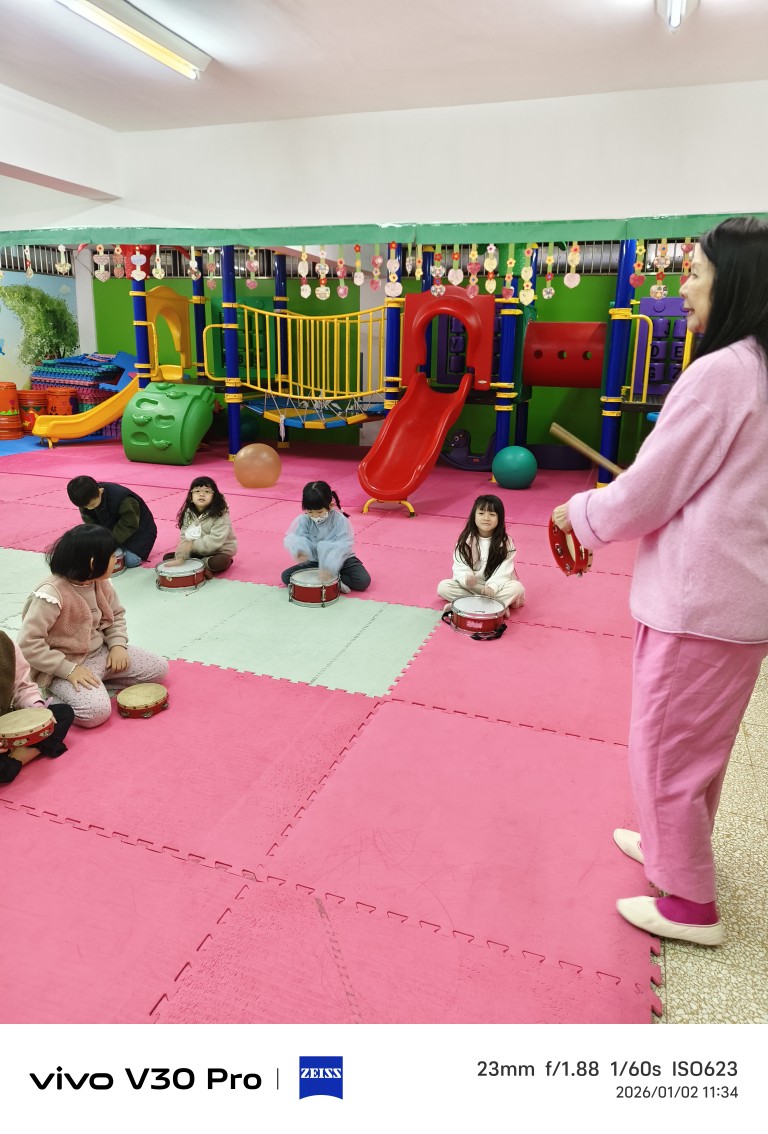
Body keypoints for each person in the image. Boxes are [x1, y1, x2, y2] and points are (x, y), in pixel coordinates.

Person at [552, 216, 768, 947]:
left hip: (700, 602)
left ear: (736, 284)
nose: (685, 286)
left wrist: (580, 513)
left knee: (667, 750)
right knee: (697, 750)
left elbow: (648, 492)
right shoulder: (757, 369)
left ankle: (689, 904)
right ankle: (669, 847)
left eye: (697, 273)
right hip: (738, 604)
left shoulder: (722, 372)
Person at [17, 525, 169, 729]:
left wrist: (117, 645)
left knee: (159, 669)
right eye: (112, 555)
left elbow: (115, 615)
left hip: (101, 654)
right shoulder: (51, 595)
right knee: (95, 714)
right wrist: (68, 670)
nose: (116, 559)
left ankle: (95, 686)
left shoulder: (100, 582)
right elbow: (28, 644)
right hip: (64, 665)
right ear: (92, 563)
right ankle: (56, 694)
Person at [0, 630, 75, 783]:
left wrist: (38, 711)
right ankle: (24, 754)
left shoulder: (6, 644)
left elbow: (23, 687)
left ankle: (15, 758)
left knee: (63, 713)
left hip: (8, 723)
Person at [438, 494, 525, 615]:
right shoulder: (465, 541)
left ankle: (465, 604)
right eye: (481, 513)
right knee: (443, 587)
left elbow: (505, 570)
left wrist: (492, 586)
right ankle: (496, 606)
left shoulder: (505, 542)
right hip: (472, 587)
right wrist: (466, 578)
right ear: (474, 515)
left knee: (517, 588)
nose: (486, 518)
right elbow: (459, 565)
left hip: (495, 589)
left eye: (492, 514)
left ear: (499, 518)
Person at [282, 480, 371, 593]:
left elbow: (343, 545)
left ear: (330, 506)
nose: (315, 516)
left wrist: (330, 566)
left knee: (363, 581)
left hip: (343, 559)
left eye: (319, 512)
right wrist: (300, 551)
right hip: (316, 561)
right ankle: (330, 579)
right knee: (286, 577)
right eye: (310, 512)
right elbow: (299, 537)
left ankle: (335, 579)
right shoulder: (304, 520)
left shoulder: (339, 520)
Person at [67, 475, 157, 567]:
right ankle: (115, 548)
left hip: (140, 532)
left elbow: (130, 524)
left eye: (92, 505)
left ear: (100, 491)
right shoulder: (86, 501)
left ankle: (120, 549)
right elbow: (92, 526)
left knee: (131, 561)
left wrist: (109, 543)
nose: (89, 508)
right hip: (112, 531)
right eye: (85, 506)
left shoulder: (123, 498)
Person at [162, 476, 237, 574]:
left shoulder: (221, 515)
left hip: (217, 552)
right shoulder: (188, 513)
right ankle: (200, 566)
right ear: (191, 497)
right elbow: (184, 536)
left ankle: (198, 565)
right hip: (196, 551)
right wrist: (180, 557)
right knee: (167, 558)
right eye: (197, 491)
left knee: (221, 562)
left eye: (207, 491)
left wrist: (191, 545)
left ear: (214, 497)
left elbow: (215, 540)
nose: (202, 494)